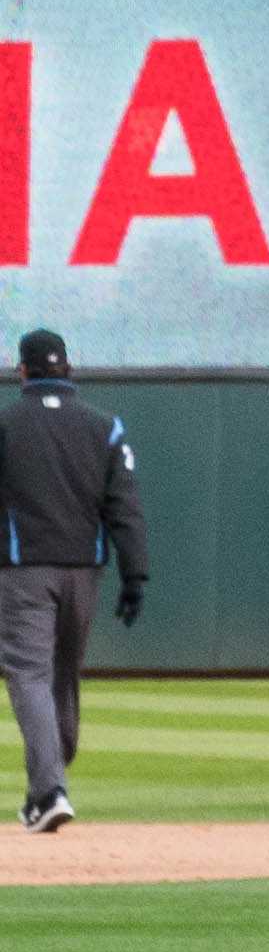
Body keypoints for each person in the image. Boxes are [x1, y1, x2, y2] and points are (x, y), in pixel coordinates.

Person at [0, 328, 140, 835]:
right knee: (60, 674)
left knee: (29, 675)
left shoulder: (7, 423)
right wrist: (135, 573)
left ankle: (49, 789)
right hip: (86, 570)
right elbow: (124, 504)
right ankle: (53, 770)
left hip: (24, 570)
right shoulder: (104, 426)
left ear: (23, 372)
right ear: (69, 369)